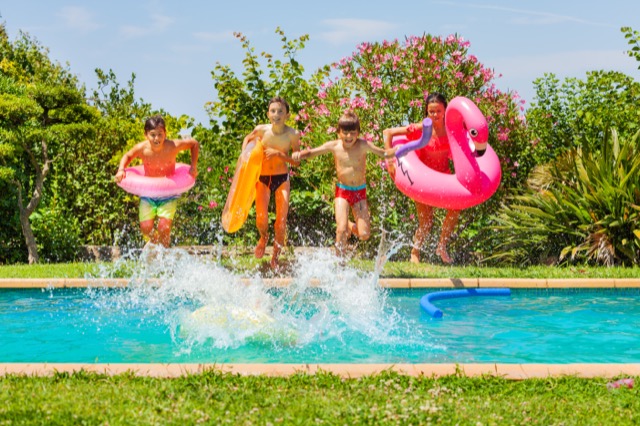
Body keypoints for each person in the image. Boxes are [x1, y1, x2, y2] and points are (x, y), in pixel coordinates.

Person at [293, 110, 397, 257]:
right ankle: (340, 262)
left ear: (358, 133)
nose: (349, 136)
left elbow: (383, 153)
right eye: (345, 133)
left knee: (364, 235)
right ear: (338, 133)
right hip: (342, 191)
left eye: (353, 133)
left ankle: (348, 223)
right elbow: (312, 152)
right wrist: (300, 154)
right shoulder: (334, 146)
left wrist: (397, 151)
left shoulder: (363, 145)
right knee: (340, 230)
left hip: (360, 192)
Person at [383, 92, 459, 264]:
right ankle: (415, 252)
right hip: (422, 179)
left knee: (455, 208)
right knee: (426, 222)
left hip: (444, 177)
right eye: (431, 111)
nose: (435, 115)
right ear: (426, 112)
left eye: (438, 111)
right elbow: (387, 132)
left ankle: (442, 246)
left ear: (445, 110)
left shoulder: (451, 131)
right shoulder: (421, 129)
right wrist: (389, 160)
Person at [114, 115, 199, 248]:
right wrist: (121, 169)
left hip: (169, 194)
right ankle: (154, 240)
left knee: (164, 227)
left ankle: (165, 253)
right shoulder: (142, 148)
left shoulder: (173, 146)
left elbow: (194, 144)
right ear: (146, 135)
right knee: (146, 227)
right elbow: (128, 155)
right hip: (148, 194)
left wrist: (193, 166)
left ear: (165, 133)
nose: (157, 139)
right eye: (153, 135)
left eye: (160, 134)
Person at [242, 96, 300, 269]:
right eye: (273, 111)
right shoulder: (261, 130)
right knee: (261, 218)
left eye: (281, 111)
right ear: (268, 114)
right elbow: (247, 139)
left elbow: (296, 161)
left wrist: (280, 155)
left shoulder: (293, 135)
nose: (277, 114)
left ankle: (275, 256)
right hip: (263, 178)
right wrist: (244, 155)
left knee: (281, 222)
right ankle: (263, 237)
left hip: (282, 178)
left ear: (287, 115)